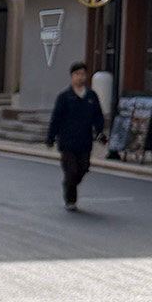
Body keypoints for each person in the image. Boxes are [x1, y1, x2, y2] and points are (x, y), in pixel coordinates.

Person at [46, 60, 107, 211]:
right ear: (72, 76)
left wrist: (100, 132)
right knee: (71, 170)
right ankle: (70, 199)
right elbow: (56, 118)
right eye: (77, 74)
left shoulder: (91, 96)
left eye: (83, 74)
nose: (80, 77)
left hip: (84, 141)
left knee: (84, 167)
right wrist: (50, 138)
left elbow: (98, 117)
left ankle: (69, 183)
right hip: (67, 141)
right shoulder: (64, 97)